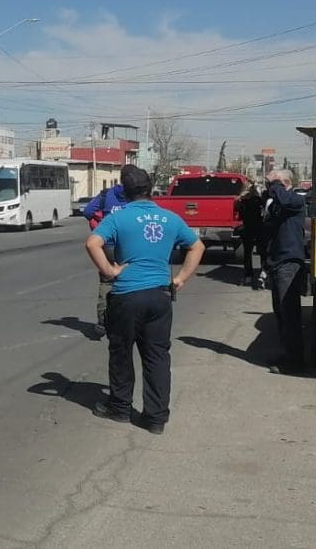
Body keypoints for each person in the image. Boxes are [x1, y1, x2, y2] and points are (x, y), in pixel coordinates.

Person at [85, 166, 205, 435]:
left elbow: (93, 243)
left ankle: (120, 407)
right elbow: (197, 246)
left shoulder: (119, 217)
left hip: (127, 295)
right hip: (160, 295)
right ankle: (156, 418)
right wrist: (181, 278)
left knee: (121, 352)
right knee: (157, 356)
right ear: (150, 190)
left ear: (124, 192)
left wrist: (110, 271)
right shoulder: (170, 218)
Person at [262, 169, 308, 375]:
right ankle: (287, 353)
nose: (271, 188)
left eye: (275, 184)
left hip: (289, 262)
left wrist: (276, 184)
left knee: (290, 314)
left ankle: (295, 361)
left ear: (286, 183)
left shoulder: (296, 200)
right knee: (281, 313)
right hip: (276, 261)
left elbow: (286, 200)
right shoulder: (277, 203)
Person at [81, 169, 132, 332]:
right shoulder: (135, 196)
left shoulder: (106, 194)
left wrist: (102, 220)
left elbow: (87, 211)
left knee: (106, 282)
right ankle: (127, 319)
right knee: (131, 281)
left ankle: (103, 320)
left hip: (107, 244)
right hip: (128, 245)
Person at [234, 182, 266, 289]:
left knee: (258, 251)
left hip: (256, 228)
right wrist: (241, 197)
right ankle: (253, 275)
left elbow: (264, 207)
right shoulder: (243, 201)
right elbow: (236, 209)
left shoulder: (257, 200)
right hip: (251, 228)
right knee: (250, 252)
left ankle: (259, 274)